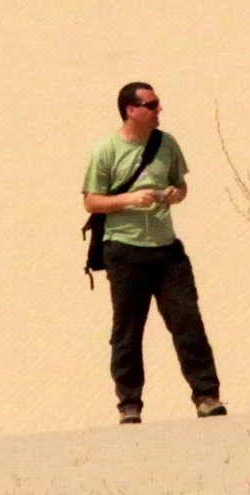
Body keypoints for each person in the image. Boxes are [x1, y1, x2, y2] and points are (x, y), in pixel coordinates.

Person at [81, 81, 225, 425]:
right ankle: (129, 404)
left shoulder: (167, 144)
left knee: (188, 321)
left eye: (157, 103)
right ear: (131, 110)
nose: (159, 109)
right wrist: (130, 199)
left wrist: (175, 194)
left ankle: (207, 396)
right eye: (152, 104)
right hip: (124, 251)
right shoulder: (106, 151)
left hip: (167, 252)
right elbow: (91, 200)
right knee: (128, 331)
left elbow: (182, 186)